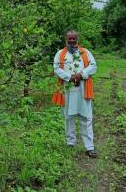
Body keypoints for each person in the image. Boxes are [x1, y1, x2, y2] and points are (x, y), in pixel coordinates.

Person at [52, 30, 98, 158]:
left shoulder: (85, 52)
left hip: (83, 88)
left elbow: (93, 66)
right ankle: (70, 143)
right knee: (68, 117)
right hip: (67, 89)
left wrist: (81, 74)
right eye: (69, 39)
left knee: (86, 117)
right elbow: (56, 69)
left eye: (74, 39)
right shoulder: (60, 54)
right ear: (66, 39)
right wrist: (69, 77)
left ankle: (89, 147)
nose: (72, 41)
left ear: (77, 39)